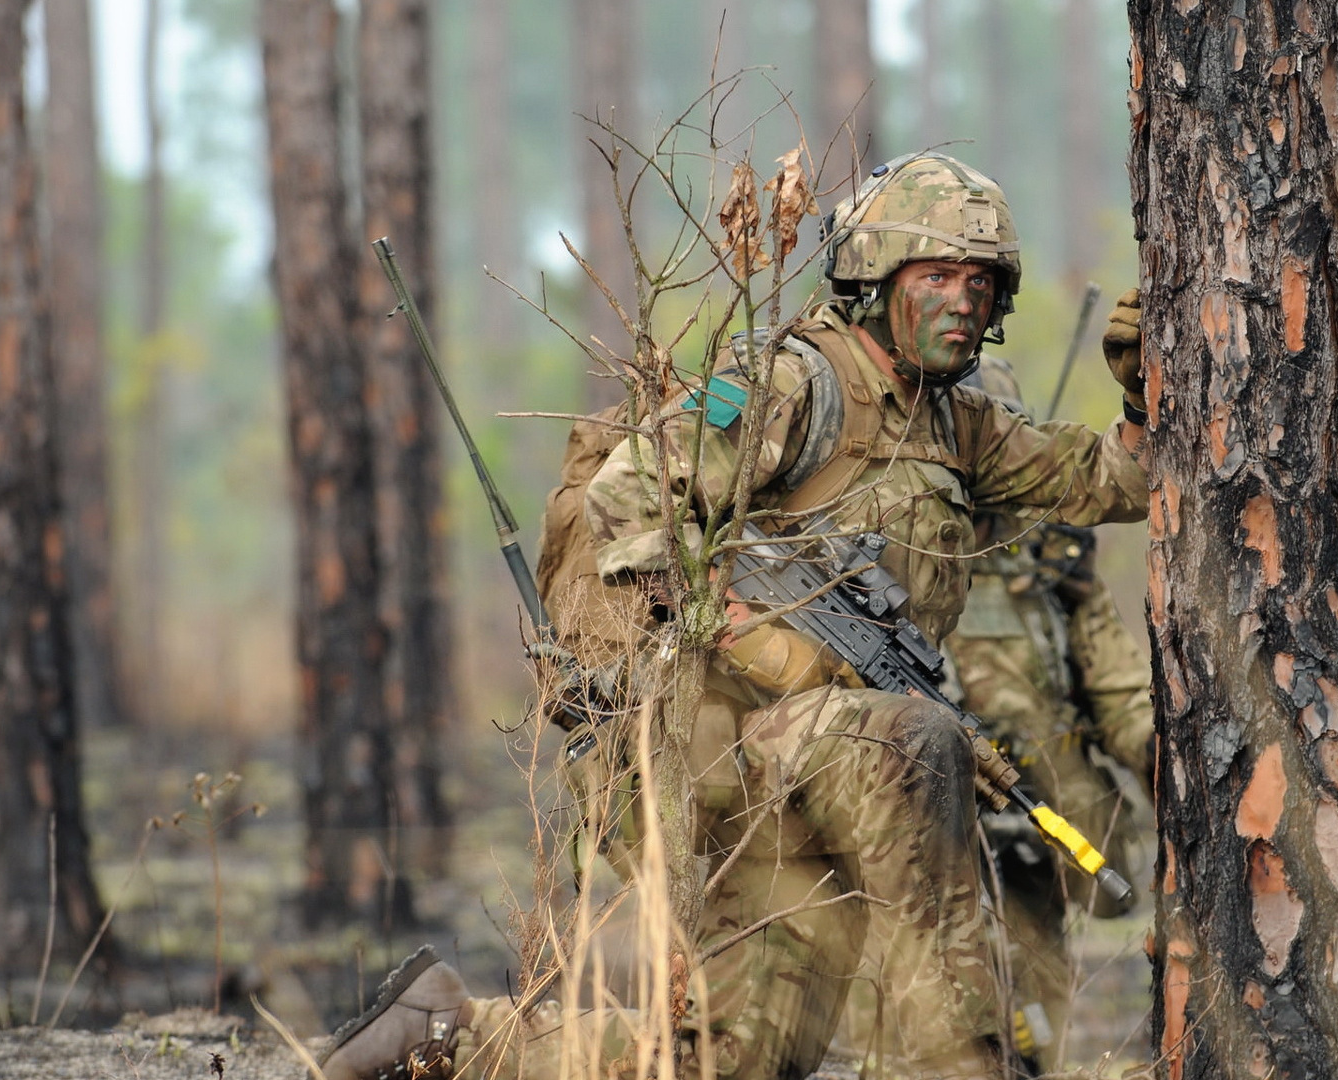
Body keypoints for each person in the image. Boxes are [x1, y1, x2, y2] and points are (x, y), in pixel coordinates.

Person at [318, 152, 1154, 1080]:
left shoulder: (956, 423)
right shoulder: (794, 381)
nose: (963, 301)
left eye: (980, 282)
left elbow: (1117, 480)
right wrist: (758, 636)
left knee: (726, 1061)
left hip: (826, 768)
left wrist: (1143, 397)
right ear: (876, 278)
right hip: (738, 745)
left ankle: (443, 1033)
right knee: (919, 741)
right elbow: (630, 504)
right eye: (936, 277)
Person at [950, 355, 1155, 1074]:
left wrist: (1161, 753)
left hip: (1036, 842)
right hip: (919, 844)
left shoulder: (1050, 565)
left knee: (1033, 1038)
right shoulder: (884, 555)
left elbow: (1119, 685)